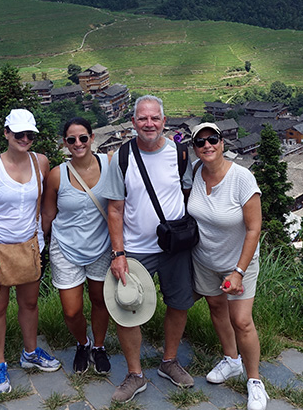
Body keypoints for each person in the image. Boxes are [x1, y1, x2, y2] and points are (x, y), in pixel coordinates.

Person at [106, 95, 195, 402]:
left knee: (179, 302)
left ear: (164, 121)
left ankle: (168, 361)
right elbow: (114, 210)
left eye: (154, 118)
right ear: (133, 122)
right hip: (134, 249)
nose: (149, 124)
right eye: (142, 118)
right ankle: (135, 374)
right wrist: (118, 254)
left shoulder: (180, 153)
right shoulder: (121, 157)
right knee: (126, 310)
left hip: (174, 246)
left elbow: (188, 194)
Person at [0, 108, 61, 394]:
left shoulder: (41, 163)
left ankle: (30, 352)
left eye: (29, 134)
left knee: (30, 303)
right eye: (18, 133)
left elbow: (48, 201)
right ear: (6, 133)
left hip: (30, 245)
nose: (24, 139)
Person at [187, 122, 267, 410]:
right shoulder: (196, 173)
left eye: (213, 140)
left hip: (239, 262)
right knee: (217, 309)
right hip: (205, 260)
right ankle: (232, 360)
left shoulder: (242, 178)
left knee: (242, 320)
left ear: (222, 143)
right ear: (194, 149)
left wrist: (239, 271)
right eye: (200, 142)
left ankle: (255, 381)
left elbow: (254, 228)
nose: (207, 145)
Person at [41, 117, 113, 375]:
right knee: (71, 310)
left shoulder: (110, 163)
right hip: (65, 247)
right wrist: (39, 246)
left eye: (83, 138)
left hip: (101, 245)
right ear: (65, 143)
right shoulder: (57, 175)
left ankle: (100, 346)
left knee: (99, 300)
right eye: (72, 139)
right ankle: (83, 343)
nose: (78, 143)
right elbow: (48, 215)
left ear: (92, 137)